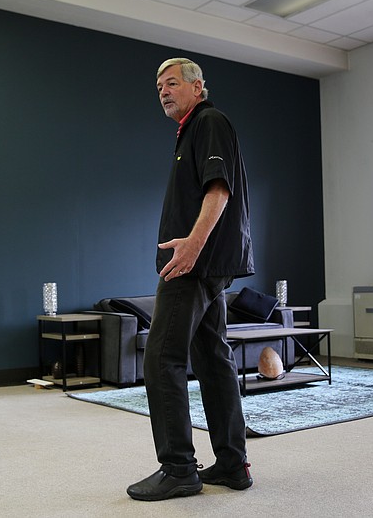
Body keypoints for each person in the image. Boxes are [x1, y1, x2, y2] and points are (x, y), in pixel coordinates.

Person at [126, 58, 255, 502]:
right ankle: (233, 464)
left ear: (198, 87)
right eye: (158, 85)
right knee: (213, 358)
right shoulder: (191, 131)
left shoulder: (209, 121)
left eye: (173, 83)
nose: (163, 90)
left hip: (194, 263)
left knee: (161, 357)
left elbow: (218, 189)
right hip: (207, 263)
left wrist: (192, 248)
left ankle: (179, 469)